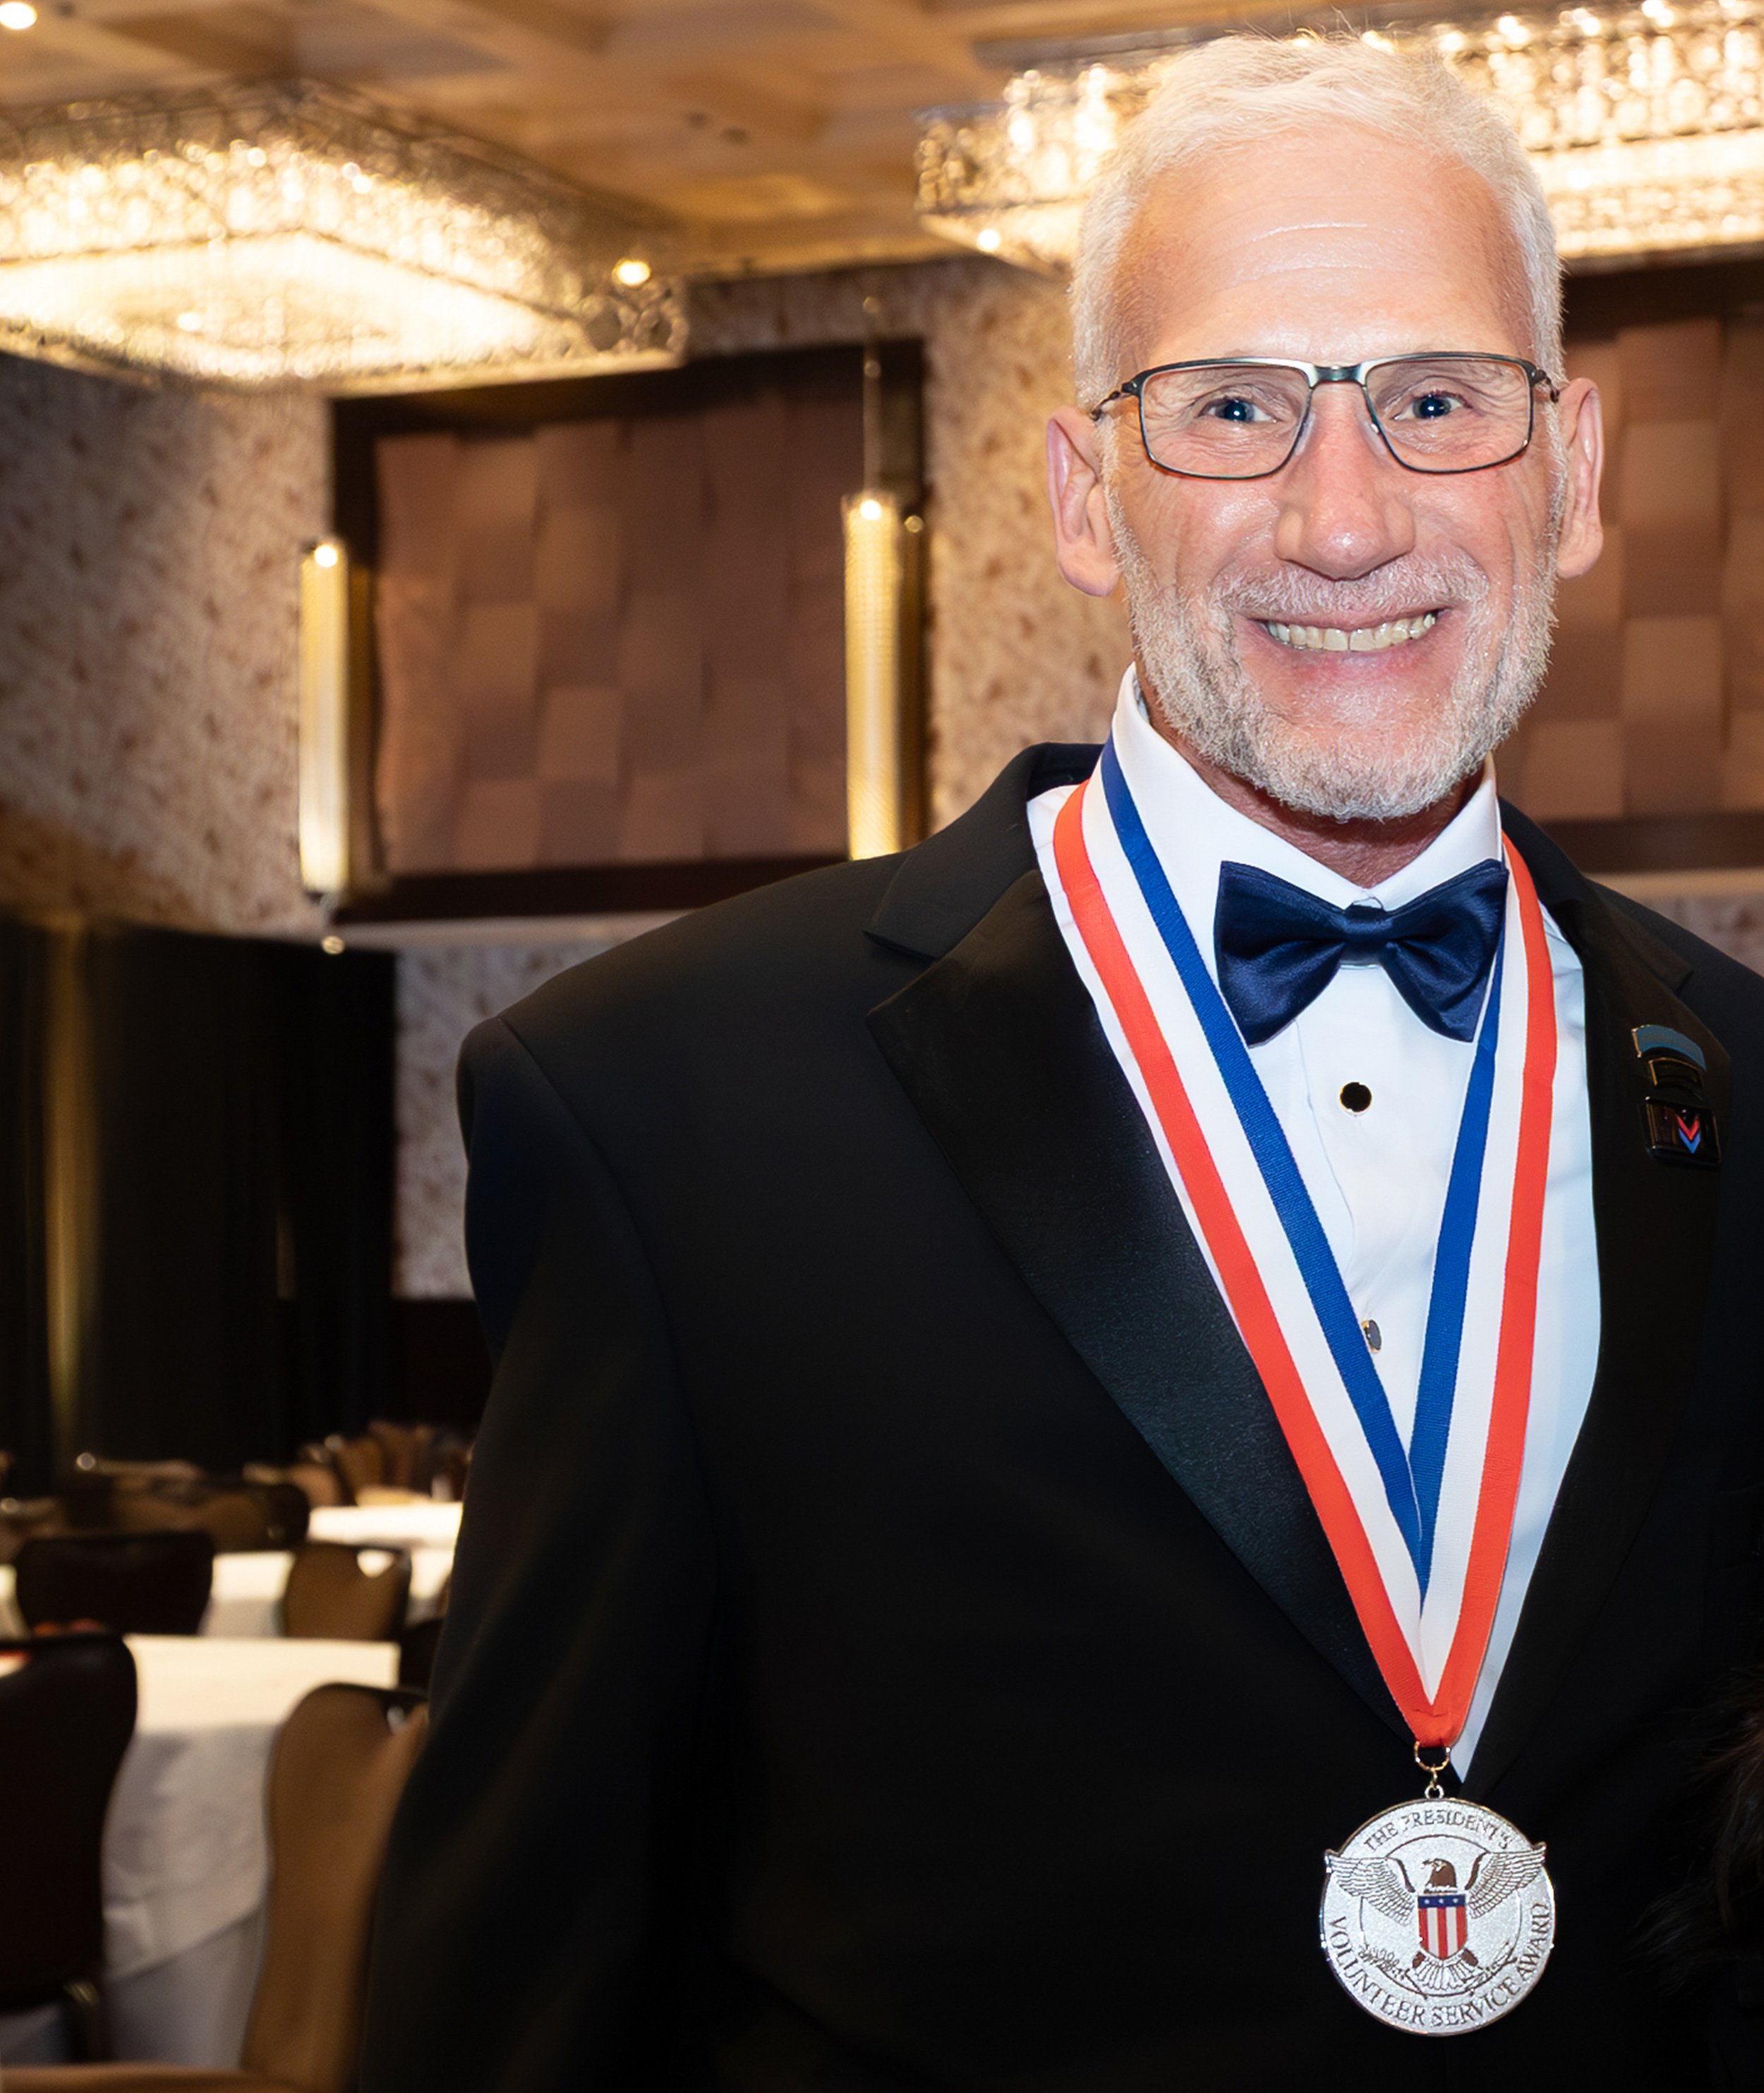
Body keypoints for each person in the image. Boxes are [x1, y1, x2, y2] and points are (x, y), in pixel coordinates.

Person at [362, 35, 1764, 2089]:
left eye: (1435, 402)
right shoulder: (667, 1101)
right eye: (1228, 411)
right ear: (1081, 498)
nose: (1345, 517)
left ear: (1566, 477)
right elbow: (515, 1972)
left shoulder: (1731, 1079)